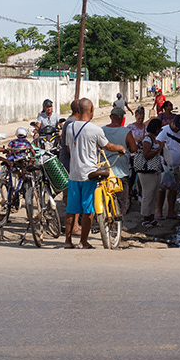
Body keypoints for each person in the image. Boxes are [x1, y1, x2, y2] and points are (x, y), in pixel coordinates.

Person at [63, 97, 126, 249]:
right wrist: (120, 148)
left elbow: (69, 149)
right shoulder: (95, 129)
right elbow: (108, 146)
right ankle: (83, 242)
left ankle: (68, 241)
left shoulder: (69, 127)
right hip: (89, 174)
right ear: (90, 110)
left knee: (71, 210)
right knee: (88, 211)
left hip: (74, 174)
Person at [102, 106, 134, 215]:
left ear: (111, 117)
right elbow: (134, 149)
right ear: (122, 118)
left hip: (105, 170)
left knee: (107, 197)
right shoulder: (126, 132)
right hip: (121, 171)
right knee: (122, 199)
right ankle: (119, 222)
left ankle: (108, 218)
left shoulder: (102, 130)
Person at [134, 118, 165, 227]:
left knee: (154, 194)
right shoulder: (147, 140)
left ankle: (151, 217)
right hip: (147, 171)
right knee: (148, 194)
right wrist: (158, 149)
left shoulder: (154, 139)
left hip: (155, 170)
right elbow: (146, 155)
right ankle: (146, 218)